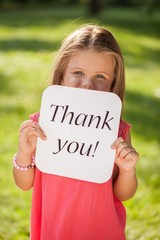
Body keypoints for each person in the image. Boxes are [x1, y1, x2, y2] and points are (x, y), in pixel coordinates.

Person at [13, 24, 139, 240]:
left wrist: (127, 170)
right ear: (61, 75)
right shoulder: (43, 124)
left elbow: (122, 194)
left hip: (102, 231)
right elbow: (24, 184)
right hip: (54, 231)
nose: (87, 85)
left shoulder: (116, 130)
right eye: (78, 73)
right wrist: (24, 154)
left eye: (100, 76)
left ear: (113, 83)